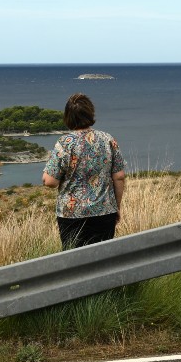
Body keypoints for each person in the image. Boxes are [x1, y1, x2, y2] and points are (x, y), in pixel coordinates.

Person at [42, 93, 126, 248]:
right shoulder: (108, 139)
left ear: (68, 116)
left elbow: (50, 182)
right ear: (90, 113)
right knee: (103, 260)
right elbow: (119, 176)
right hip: (105, 212)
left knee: (74, 263)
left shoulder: (65, 143)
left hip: (72, 215)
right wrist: (117, 207)